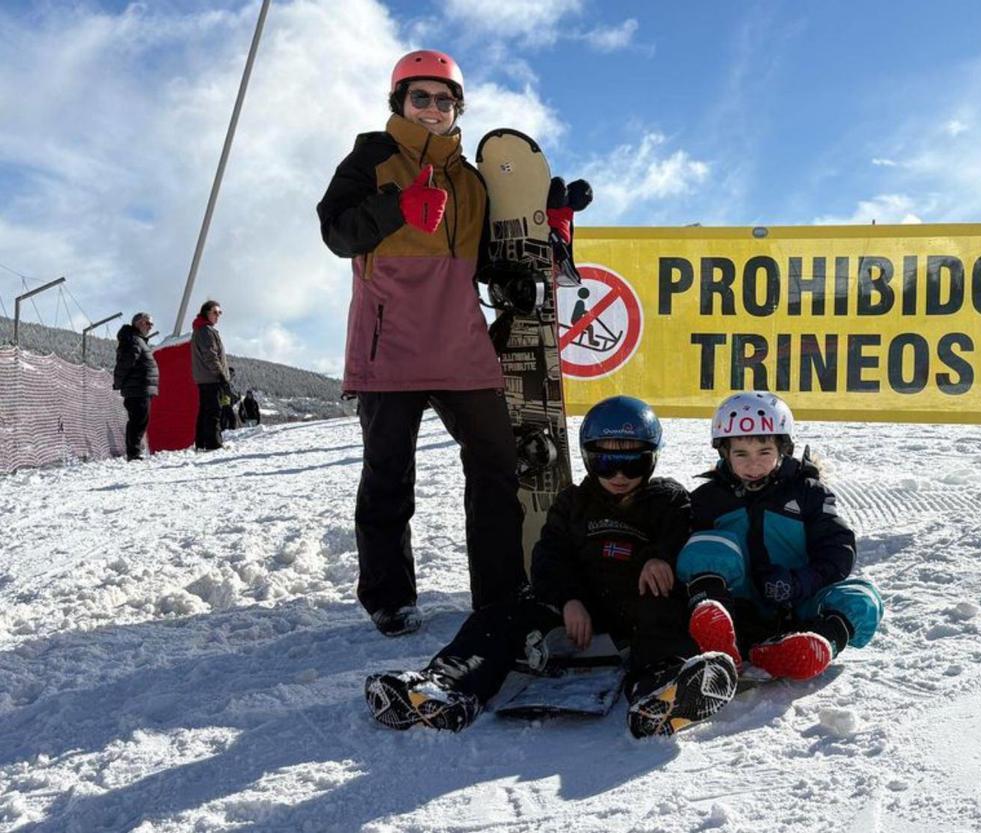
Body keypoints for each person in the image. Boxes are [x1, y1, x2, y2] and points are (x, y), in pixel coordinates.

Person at [363, 396, 738, 738]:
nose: (619, 475)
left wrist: (661, 556)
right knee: (499, 616)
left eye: (633, 462)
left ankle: (660, 688)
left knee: (665, 609)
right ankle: (446, 687)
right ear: (589, 458)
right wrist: (568, 599)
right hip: (580, 608)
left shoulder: (667, 499)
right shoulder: (573, 502)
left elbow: (684, 536)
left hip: (639, 603)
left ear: (653, 457)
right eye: (606, 462)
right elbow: (549, 557)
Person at [316, 49, 527, 637]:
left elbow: (483, 259)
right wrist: (396, 206)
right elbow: (336, 233)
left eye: (444, 99)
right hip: (391, 344)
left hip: (459, 338)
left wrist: (528, 247)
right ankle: (389, 598)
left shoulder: (470, 178)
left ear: (458, 107)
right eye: (421, 97)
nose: (433, 109)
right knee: (388, 476)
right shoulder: (372, 158)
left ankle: (500, 593)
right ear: (400, 102)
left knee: (495, 466)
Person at [679, 392, 883, 683]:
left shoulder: (809, 492)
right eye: (741, 454)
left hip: (797, 607)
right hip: (737, 607)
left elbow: (838, 549)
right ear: (724, 452)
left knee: (864, 599)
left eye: (764, 452)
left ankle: (812, 645)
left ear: (783, 448)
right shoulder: (707, 499)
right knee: (707, 546)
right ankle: (718, 635)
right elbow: (687, 555)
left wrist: (800, 581)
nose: (753, 465)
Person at [112, 311, 159, 461]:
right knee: (138, 420)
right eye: (147, 323)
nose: (150, 327)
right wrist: (118, 382)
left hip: (141, 387)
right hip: (136, 388)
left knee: (141, 419)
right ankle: (133, 453)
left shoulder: (138, 340)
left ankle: (135, 451)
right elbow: (125, 363)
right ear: (138, 323)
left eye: (152, 324)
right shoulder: (132, 340)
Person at [190, 299, 230, 451]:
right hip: (211, 378)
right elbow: (211, 355)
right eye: (215, 312)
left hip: (204, 378)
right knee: (213, 411)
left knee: (205, 410)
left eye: (220, 313)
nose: (218, 316)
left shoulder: (201, 329)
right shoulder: (206, 331)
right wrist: (221, 375)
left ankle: (202, 443)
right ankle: (213, 444)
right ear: (206, 313)